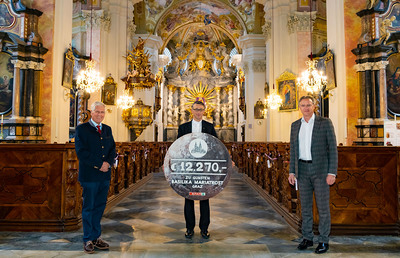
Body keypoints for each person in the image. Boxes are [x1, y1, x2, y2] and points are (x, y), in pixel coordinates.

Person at [288, 95, 337, 254]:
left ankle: (323, 240)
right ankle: (307, 237)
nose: (306, 108)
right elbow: (293, 151)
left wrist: (332, 172)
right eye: (303, 105)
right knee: (306, 208)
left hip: (321, 171)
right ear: (299, 108)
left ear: (314, 106)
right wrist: (292, 171)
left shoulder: (325, 123)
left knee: (323, 208)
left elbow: (333, 149)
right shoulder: (295, 125)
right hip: (302, 170)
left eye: (308, 105)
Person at [75, 101, 116, 254]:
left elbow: (112, 148)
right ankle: (87, 239)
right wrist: (99, 164)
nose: (100, 115)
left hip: (104, 175)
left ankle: (96, 236)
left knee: (99, 206)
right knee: (89, 207)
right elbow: (81, 152)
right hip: (90, 175)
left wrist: (108, 163)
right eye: (97, 112)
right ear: (91, 112)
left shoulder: (107, 129)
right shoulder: (82, 129)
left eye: (102, 112)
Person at [177, 100, 217, 239]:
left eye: (200, 109)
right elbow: (178, 147)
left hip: (204, 168)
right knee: (188, 198)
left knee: (204, 198)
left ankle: (204, 228)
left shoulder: (209, 127)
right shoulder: (183, 128)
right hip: (188, 167)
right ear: (191, 110)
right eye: (196, 109)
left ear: (204, 111)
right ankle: (189, 228)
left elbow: (215, 146)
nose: (198, 112)